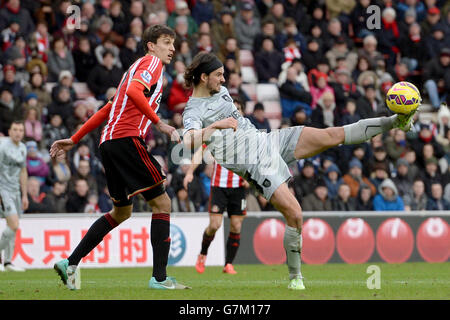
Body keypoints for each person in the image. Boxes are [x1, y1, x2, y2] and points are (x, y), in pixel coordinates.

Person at [182, 52, 415, 290]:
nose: (223, 80)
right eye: (218, 75)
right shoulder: (193, 110)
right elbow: (189, 141)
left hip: (269, 141)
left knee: (331, 135)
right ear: (203, 77)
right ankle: (295, 276)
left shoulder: (220, 92)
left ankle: (397, 121)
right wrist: (215, 126)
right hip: (255, 164)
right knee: (295, 214)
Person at [49, 25, 189, 290]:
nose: (172, 48)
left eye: (173, 44)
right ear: (151, 45)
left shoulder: (132, 71)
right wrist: (160, 123)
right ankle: (159, 279)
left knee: (121, 212)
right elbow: (136, 93)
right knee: (163, 204)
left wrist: (74, 138)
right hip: (126, 140)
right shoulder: (152, 64)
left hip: (108, 143)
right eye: (166, 42)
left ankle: (71, 262)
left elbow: (107, 109)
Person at [184, 99, 249, 275]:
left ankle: (228, 264)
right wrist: (190, 172)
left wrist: (250, 178)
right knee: (214, 225)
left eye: (238, 109)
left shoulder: (247, 134)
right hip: (219, 186)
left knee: (236, 226)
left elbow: (254, 159)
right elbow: (199, 153)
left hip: (238, 188)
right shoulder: (217, 134)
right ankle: (203, 254)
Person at [0, 121, 28, 272]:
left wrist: (24, 195)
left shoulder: (23, 148)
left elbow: (23, 172)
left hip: (15, 191)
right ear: (9, 131)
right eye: (15, 129)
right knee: (13, 224)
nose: (18, 132)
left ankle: (7, 262)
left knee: (13, 227)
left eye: (21, 130)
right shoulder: (2, 146)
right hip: (3, 189)